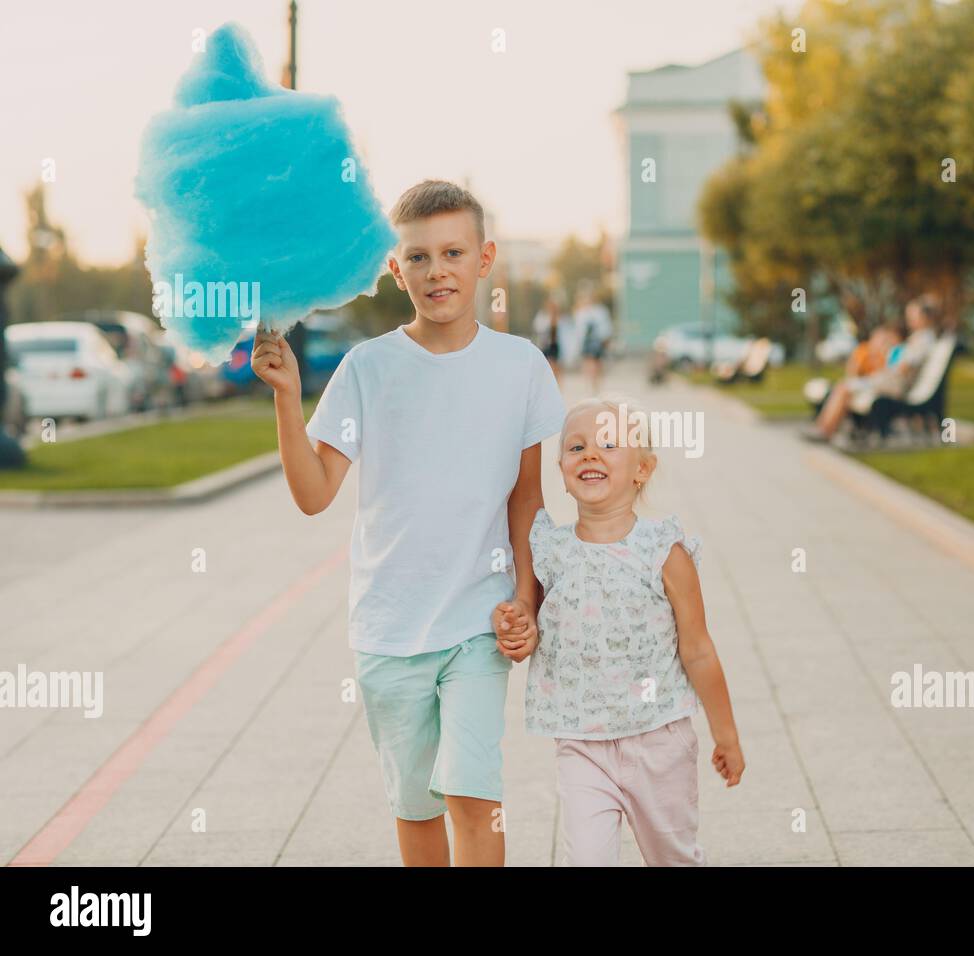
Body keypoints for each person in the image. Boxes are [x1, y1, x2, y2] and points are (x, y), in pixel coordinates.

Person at [250, 179, 565, 867]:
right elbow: (313, 494)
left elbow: (526, 502)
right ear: (396, 270)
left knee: (474, 798)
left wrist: (525, 598)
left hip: (477, 623)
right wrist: (286, 399)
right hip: (388, 629)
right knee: (418, 809)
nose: (436, 270)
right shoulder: (369, 367)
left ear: (484, 260)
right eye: (417, 257)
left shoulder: (521, 368)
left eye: (452, 252)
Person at [493, 396, 745, 866]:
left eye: (609, 444)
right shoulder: (550, 551)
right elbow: (533, 612)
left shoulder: (664, 551)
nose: (590, 454)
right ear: (562, 471)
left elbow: (698, 649)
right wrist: (516, 621)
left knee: (673, 856)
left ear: (642, 469)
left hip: (659, 739)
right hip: (582, 743)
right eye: (576, 447)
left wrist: (724, 733)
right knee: (588, 857)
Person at [805, 295, 940, 442]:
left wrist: (888, 367)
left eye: (913, 314)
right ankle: (823, 429)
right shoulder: (920, 337)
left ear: (925, 317)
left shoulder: (924, 339)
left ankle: (824, 431)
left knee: (843, 388)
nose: (909, 319)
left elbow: (904, 368)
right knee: (844, 387)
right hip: (889, 380)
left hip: (893, 384)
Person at [573, 280, 613, 393]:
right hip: (586, 342)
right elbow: (578, 330)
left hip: (598, 341)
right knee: (589, 363)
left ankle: (597, 385)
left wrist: (606, 340)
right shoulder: (580, 312)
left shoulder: (600, 311)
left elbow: (606, 326)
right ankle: (590, 385)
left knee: (597, 364)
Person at [532, 290, 566, 383]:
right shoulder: (542, 316)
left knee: (555, 366)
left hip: (554, 344)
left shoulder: (558, 318)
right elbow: (538, 328)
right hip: (544, 344)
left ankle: (557, 384)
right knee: (546, 366)